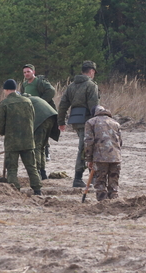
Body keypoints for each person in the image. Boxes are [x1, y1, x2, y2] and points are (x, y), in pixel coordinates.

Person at [0, 79, 42, 195]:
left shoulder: (4, 104)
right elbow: (33, 118)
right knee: (32, 167)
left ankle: (14, 190)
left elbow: (0, 124)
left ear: (6, 90)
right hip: (28, 140)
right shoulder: (27, 101)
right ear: (15, 89)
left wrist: (2, 132)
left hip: (12, 142)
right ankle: (37, 189)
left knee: (12, 168)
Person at [58, 60, 100, 188]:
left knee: (86, 147)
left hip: (76, 121)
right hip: (88, 121)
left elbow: (63, 105)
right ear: (91, 71)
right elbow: (94, 106)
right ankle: (78, 178)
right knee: (85, 149)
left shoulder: (71, 86)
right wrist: (97, 122)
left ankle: (92, 177)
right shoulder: (91, 85)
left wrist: (61, 122)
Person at [84, 106, 122, 201]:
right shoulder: (116, 123)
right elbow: (120, 142)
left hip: (100, 158)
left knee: (100, 182)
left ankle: (102, 204)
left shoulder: (91, 122)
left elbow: (88, 142)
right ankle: (115, 203)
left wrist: (89, 159)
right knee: (114, 185)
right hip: (116, 157)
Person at [21, 64, 57, 162]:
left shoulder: (40, 82)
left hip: (41, 112)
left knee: (42, 133)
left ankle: (46, 153)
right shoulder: (24, 85)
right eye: (24, 72)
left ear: (33, 72)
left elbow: (51, 91)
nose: (26, 74)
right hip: (30, 112)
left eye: (28, 71)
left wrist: (42, 101)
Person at [26, 95, 59, 180]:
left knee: (37, 146)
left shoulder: (24, 102)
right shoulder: (34, 99)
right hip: (52, 118)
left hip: (42, 120)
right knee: (42, 147)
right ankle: (43, 172)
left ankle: (37, 172)